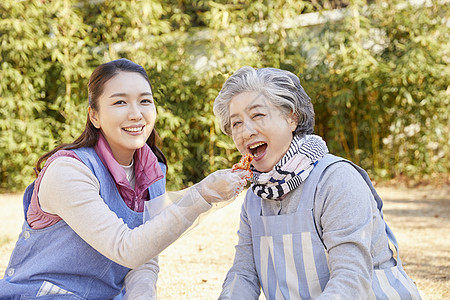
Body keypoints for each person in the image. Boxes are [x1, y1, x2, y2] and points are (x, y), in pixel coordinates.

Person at [0, 59, 249, 299]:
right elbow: (126, 248)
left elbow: (145, 254)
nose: (136, 114)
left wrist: (142, 296)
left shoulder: (153, 170)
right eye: (120, 102)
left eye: (145, 101)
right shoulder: (69, 171)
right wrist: (201, 194)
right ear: (94, 116)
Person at [213, 66, 422, 299]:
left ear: (291, 117)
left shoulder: (336, 179)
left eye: (257, 115)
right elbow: (243, 274)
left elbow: (351, 277)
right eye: (236, 123)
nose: (246, 131)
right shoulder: (255, 198)